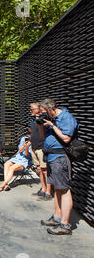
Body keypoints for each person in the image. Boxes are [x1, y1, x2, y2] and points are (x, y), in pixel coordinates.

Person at [37, 98, 78, 235]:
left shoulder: (66, 117)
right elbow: (43, 137)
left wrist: (52, 126)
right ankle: (57, 217)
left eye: (43, 111)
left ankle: (65, 225)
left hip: (60, 158)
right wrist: (41, 124)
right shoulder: (50, 120)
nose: (43, 114)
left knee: (64, 190)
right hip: (51, 158)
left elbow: (66, 138)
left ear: (50, 109)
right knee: (57, 189)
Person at [30, 103, 53, 200]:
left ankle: (48, 192)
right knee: (39, 169)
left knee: (45, 170)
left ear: (38, 109)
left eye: (32, 109)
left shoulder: (43, 119)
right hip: (34, 147)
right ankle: (43, 189)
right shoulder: (33, 120)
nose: (30, 111)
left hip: (41, 148)